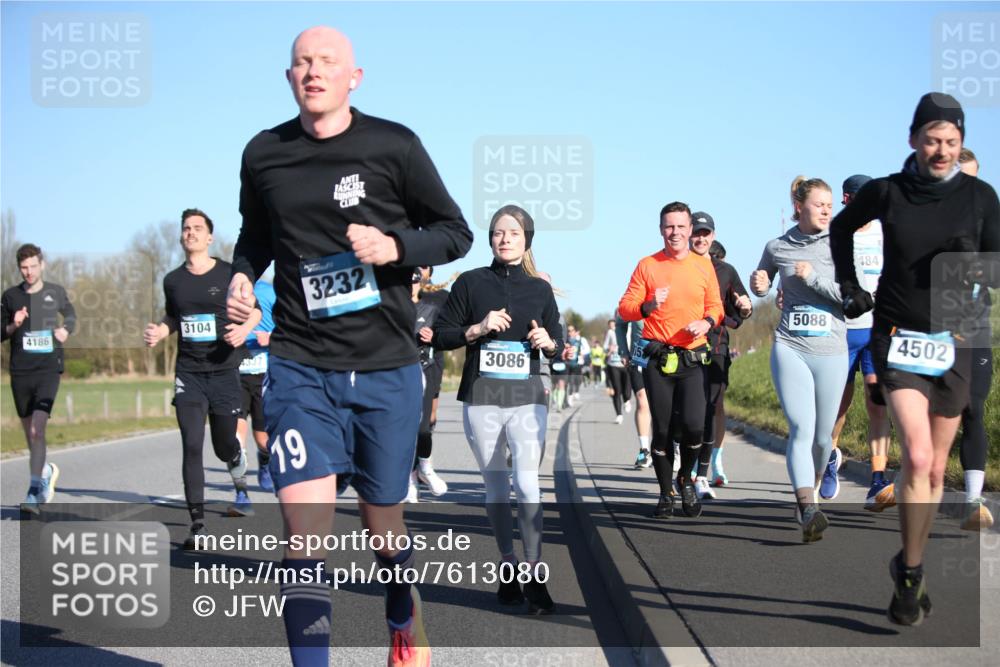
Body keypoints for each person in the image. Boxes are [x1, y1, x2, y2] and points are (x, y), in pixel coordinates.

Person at [226, 26, 472, 667]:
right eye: (302, 62)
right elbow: (255, 234)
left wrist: (396, 248)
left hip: (386, 367)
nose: (314, 71)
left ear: (353, 77)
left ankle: (400, 615)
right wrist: (240, 275)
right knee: (303, 539)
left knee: (382, 530)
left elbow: (455, 233)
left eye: (327, 61)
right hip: (300, 365)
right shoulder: (264, 154)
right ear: (289, 78)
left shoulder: (395, 146)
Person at [830, 92, 999, 625]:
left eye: (951, 142)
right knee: (920, 459)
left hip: (956, 337)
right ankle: (909, 581)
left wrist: (975, 272)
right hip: (898, 334)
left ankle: (910, 562)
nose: (942, 150)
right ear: (913, 140)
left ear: (961, 143)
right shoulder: (889, 191)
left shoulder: (980, 197)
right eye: (932, 140)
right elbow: (840, 228)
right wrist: (851, 285)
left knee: (934, 468)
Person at [434, 204, 562, 614]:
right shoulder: (471, 284)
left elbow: (557, 343)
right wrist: (478, 327)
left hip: (527, 397)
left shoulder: (540, 290)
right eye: (497, 232)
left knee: (526, 483)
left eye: (513, 232)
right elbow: (441, 336)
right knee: (495, 487)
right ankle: (507, 566)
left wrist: (548, 341)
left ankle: (535, 573)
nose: (505, 238)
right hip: (483, 397)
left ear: (527, 240)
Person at [145, 209, 261, 543]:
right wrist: (160, 331)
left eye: (198, 228)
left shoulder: (228, 273)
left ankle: (235, 455)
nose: (191, 233)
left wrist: (244, 331)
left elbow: (255, 311)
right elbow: (173, 317)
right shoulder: (172, 280)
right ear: (181, 237)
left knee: (224, 446)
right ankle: (197, 522)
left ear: (209, 237)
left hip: (225, 371)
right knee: (191, 444)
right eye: (186, 228)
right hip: (189, 374)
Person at [751, 177, 847, 543]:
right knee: (801, 428)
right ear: (799, 205)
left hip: (832, 351)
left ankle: (815, 484)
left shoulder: (840, 244)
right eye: (819, 203)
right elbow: (762, 283)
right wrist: (759, 284)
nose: (826, 210)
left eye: (830, 205)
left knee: (823, 438)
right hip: (790, 345)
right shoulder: (778, 246)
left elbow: (853, 298)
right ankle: (807, 506)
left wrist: (815, 278)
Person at [619, 202, 724, 519]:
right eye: (669, 226)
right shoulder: (648, 265)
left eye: (681, 226)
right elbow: (625, 308)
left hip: (693, 358)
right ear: (661, 229)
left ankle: (686, 480)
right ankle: (666, 493)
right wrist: (648, 306)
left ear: (690, 229)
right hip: (659, 359)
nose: (675, 232)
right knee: (662, 430)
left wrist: (707, 322)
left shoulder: (703, 266)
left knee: (695, 427)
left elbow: (716, 306)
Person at [823, 175, 896, 511]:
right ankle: (828, 457)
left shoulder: (887, 233)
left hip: (880, 331)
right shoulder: (835, 233)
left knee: (876, 401)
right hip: (844, 330)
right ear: (848, 200)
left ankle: (878, 479)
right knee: (839, 405)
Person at [2, 243, 75, 514]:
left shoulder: (55, 292)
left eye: (33, 266)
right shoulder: (10, 297)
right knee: (29, 434)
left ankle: (34, 490)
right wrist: (14, 324)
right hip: (21, 372)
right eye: (24, 268)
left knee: (37, 429)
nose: (29, 272)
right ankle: (45, 470)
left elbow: (71, 315)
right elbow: (1, 331)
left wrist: (66, 330)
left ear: (41, 264)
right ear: (19, 268)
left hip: (48, 369)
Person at [689, 214, 752, 498]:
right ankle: (688, 459)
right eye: (696, 233)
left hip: (715, 348)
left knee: (714, 405)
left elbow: (741, 309)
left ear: (712, 236)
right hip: (683, 347)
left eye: (706, 233)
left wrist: (744, 306)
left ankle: (715, 460)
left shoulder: (726, 271)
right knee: (689, 407)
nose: (700, 238)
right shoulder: (677, 266)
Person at [955, 148, 994, 531]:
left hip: (976, 330)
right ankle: (906, 480)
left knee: (974, 408)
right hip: (933, 332)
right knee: (934, 416)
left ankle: (972, 500)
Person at [406, 265, 450, 502]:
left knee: (425, 426)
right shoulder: (392, 308)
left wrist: (435, 336)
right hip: (398, 373)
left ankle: (425, 467)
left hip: (426, 369)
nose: (411, 285)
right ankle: (411, 479)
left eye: (415, 281)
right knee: (405, 430)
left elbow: (449, 331)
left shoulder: (434, 305)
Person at [237, 273, 276, 493]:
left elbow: (290, 328)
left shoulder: (270, 292)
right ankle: (240, 492)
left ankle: (265, 459)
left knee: (264, 440)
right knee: (235, 439)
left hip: (263, 372)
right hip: (235, 373)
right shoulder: (229, 292)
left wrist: (270, 337)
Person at [616, 310, 654, 468]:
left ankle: (670, 448)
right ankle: (644, 451)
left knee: (663, 406)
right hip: (639, 356)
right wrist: (624, 350)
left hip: (666, 356)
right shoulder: (635, 300)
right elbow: (620, 325)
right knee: (642, 400)